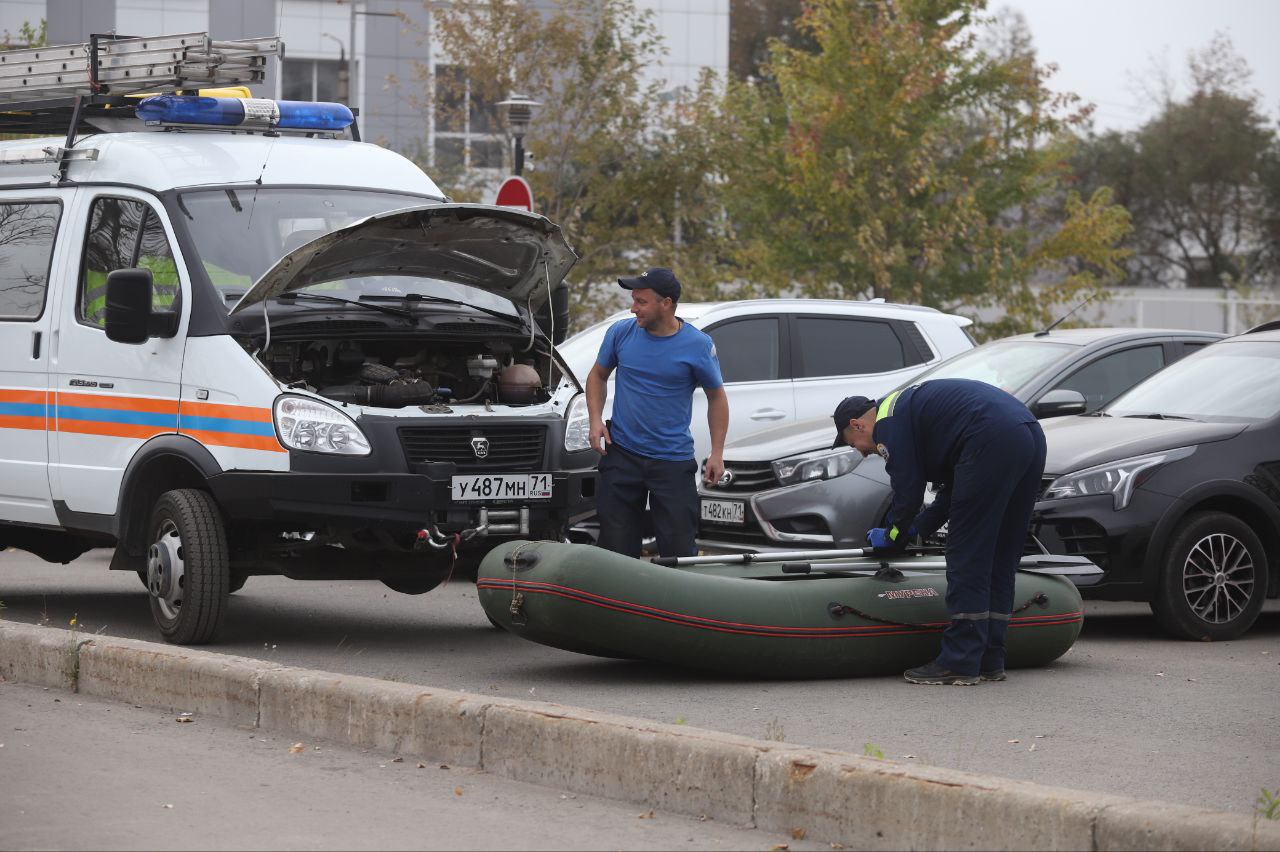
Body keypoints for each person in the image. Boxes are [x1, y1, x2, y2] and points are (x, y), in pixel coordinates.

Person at [832, 379, 1046, 685]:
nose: (863, 453)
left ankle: (960, 659)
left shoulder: (887, 424)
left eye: (853, 444)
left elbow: (907, 490)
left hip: (990, 435)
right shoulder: (911, 413)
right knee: (1000, 553)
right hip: (1027, 433)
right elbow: (953, 489)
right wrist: (916, 530)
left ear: (858, 425)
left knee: (966, 553)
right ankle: (990, 658)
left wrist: (892, 537)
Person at [586, 267, 728, 558]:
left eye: (641, 301)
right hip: (622, 454)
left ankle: (677, 603)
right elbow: (597, 376)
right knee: (616, 550)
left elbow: (717, 397)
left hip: (672, 462)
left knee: (678, 551)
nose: (633, 307)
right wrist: (595, 420)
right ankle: (616, 603)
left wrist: (716, 452)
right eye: (633, 300)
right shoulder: (620, 333)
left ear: (666, 303)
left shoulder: (698, 345)